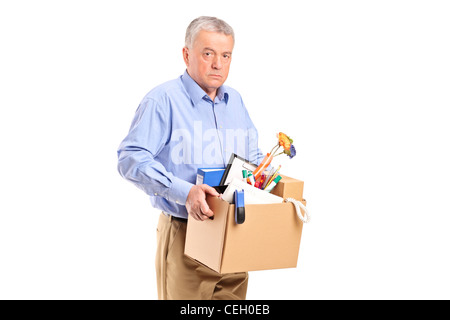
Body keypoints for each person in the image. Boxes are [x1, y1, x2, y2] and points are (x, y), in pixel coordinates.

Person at [117, 16, 265, 300]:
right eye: (208, 53)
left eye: (225, 55)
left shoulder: (235, 101)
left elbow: (252, 154)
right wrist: (185, 192)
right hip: (186, 233)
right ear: (187, 54)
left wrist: (267, 178)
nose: (218, 64)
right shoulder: (162, 100)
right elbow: (130, 158)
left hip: (236, 232)